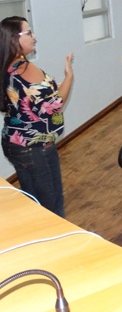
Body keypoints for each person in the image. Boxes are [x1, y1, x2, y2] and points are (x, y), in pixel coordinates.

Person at [0, 16, 73, 218]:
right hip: (35, 148)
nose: (34, 36)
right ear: (14, 39)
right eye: (29, 32)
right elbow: (55, 106)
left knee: (35, 204)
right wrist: (69, 77)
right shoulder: (25, 67)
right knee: (52, 208)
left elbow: (31, 97)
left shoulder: (8, 65)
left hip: (16, 144)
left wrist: (52, 89)